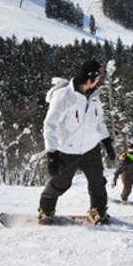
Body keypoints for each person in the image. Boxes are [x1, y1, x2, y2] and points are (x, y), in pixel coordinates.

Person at [37, 60, 115, 225]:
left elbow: (99, 121)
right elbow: (49, 125)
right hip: (68, 150)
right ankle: (46, 210)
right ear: (89, 79)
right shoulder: (64, 96)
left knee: (98, 183)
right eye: (96, 79)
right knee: (60, 184)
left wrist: (107, 142)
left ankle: (98, 212)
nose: (98, 82)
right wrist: (52, 153)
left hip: (91, 149)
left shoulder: (94, 96)